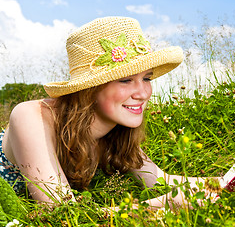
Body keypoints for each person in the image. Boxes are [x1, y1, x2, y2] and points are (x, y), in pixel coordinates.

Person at [0, 16, 217, 208]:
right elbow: (60, 212)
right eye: (125, 80)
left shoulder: (112, 132)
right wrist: (164, 205)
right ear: (90, 88)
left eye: (147, 78)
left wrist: (231, 181)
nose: (142, 93)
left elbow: (161, 181)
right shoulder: (32, 116)